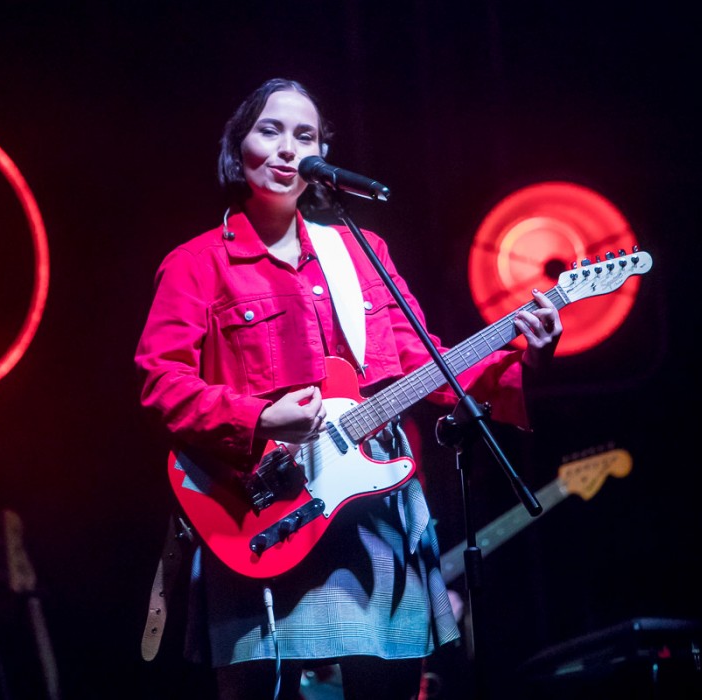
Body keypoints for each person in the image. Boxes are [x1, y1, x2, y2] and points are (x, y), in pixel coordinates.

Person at [134, 77, 562, 700]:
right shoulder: (197, 264)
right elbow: (161, 385)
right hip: (264, 514)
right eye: (270, 131)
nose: (288, 148)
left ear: (322, 156)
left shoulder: (361, 252)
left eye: (304, 136)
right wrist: (259, 418)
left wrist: (523, 355)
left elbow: (429, 365)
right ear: (237, 147)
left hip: (373, 514)